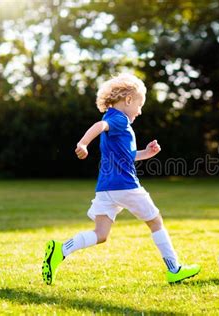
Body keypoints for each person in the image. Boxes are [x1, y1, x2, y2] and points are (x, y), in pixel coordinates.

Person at [42, 73, 200, 285]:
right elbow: (99, 127)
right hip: (126, 186)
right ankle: (174, 269)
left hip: (105, 188)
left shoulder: (114, 119)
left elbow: (126, 155)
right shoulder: (118, 119)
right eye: (139, 104)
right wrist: (83, 143)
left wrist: (146, 153)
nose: (140, 111)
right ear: (128, 100)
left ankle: (60, 250)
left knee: (100, 234)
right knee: (155, 221)